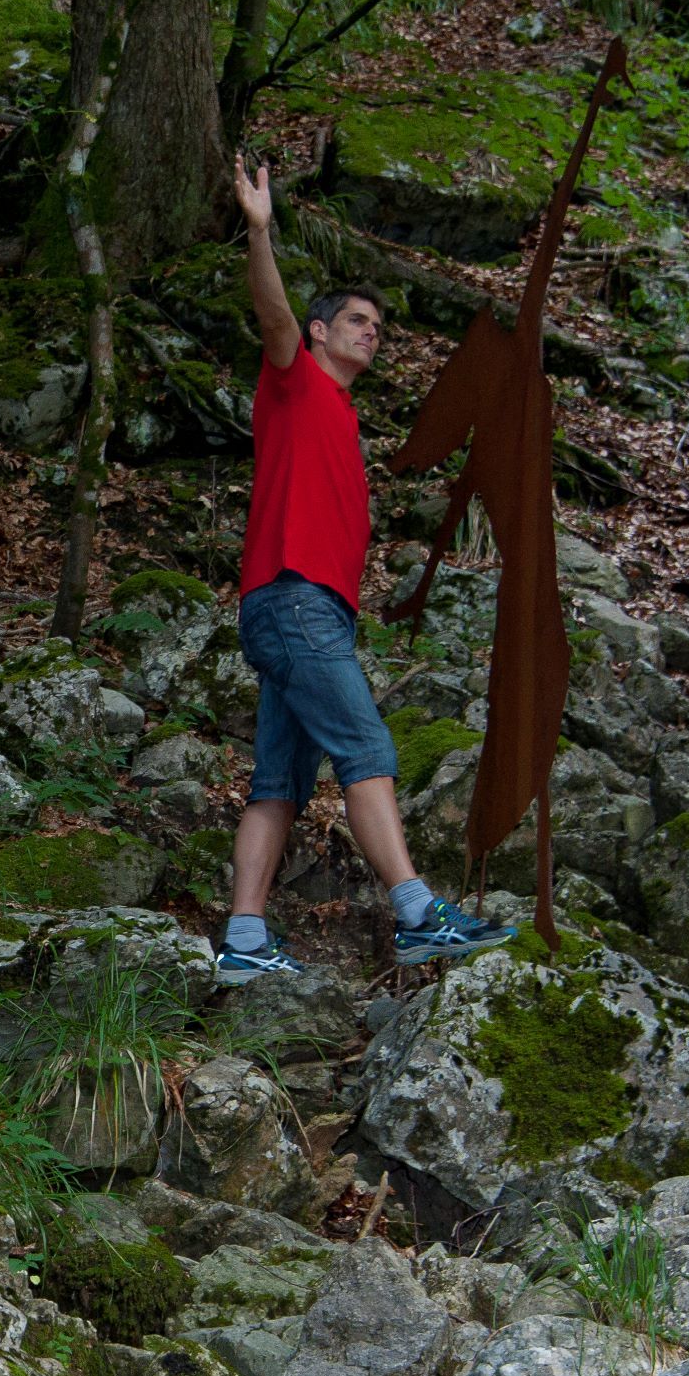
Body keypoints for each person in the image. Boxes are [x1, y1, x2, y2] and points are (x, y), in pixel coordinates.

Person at [221, 154, 513, 978]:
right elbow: (273, 316)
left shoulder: (340, 418)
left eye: (377, 328)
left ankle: (243, 941)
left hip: (297, 611)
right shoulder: (295, 384)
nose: (370, 333)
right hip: (293, 601)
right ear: (319, 332)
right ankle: (418, 913)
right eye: (356, 321)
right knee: (368, 748)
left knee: (278, 783)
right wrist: (260, 230)